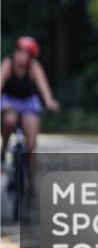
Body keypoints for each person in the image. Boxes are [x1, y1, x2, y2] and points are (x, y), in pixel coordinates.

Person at [1, 36, 59, 168]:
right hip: (10, 101)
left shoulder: (34, 67)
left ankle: (28, 167)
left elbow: (43, 86)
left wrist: (49, 101)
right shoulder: (8, 64)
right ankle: (3, 150)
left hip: (28, 103)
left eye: (25, 53)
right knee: (9, 120)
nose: (21, 56)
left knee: (32, 142)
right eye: (19, 51)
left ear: (30, 57)